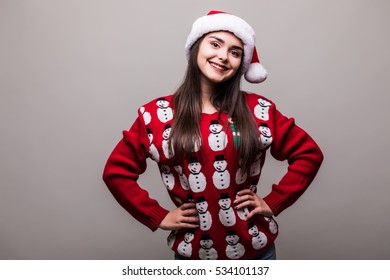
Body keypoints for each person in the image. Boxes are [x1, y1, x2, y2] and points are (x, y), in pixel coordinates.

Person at [103, 10, 323, 260]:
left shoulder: (258, 110)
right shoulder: (156, 115)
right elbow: (116, 172)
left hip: (257, 253)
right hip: (193, 255)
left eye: (235, 52)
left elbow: (309, 154)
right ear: (196, 47)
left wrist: (274, 201)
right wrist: (158, 216)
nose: (223, 56)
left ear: (241, 63)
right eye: (215, 44)